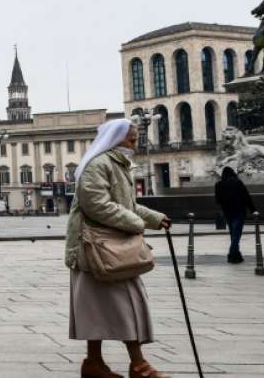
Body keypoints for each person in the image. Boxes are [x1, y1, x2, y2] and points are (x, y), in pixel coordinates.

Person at [65, 118, 172, 378]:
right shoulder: (98, 165)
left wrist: (154, 218)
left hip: (111, 249)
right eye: (132, 140)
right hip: (97, 250)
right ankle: (139, 366)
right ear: (116, 139)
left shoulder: (117, 164)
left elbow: (128, 204)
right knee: (126, 307)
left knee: (97, 311)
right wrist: (136, 223)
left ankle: (94, 364)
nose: (135, 145)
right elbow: (97, 204)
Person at [215, 166, 256, 264]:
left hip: (228, 212)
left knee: (233, 234)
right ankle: (231, 254)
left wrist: (225, 204)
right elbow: (246, 196)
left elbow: (218, 200)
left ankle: (236, 256)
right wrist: (253, 210)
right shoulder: (238, 182)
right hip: (239, 211)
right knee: (236, 235)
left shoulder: (219, 184)